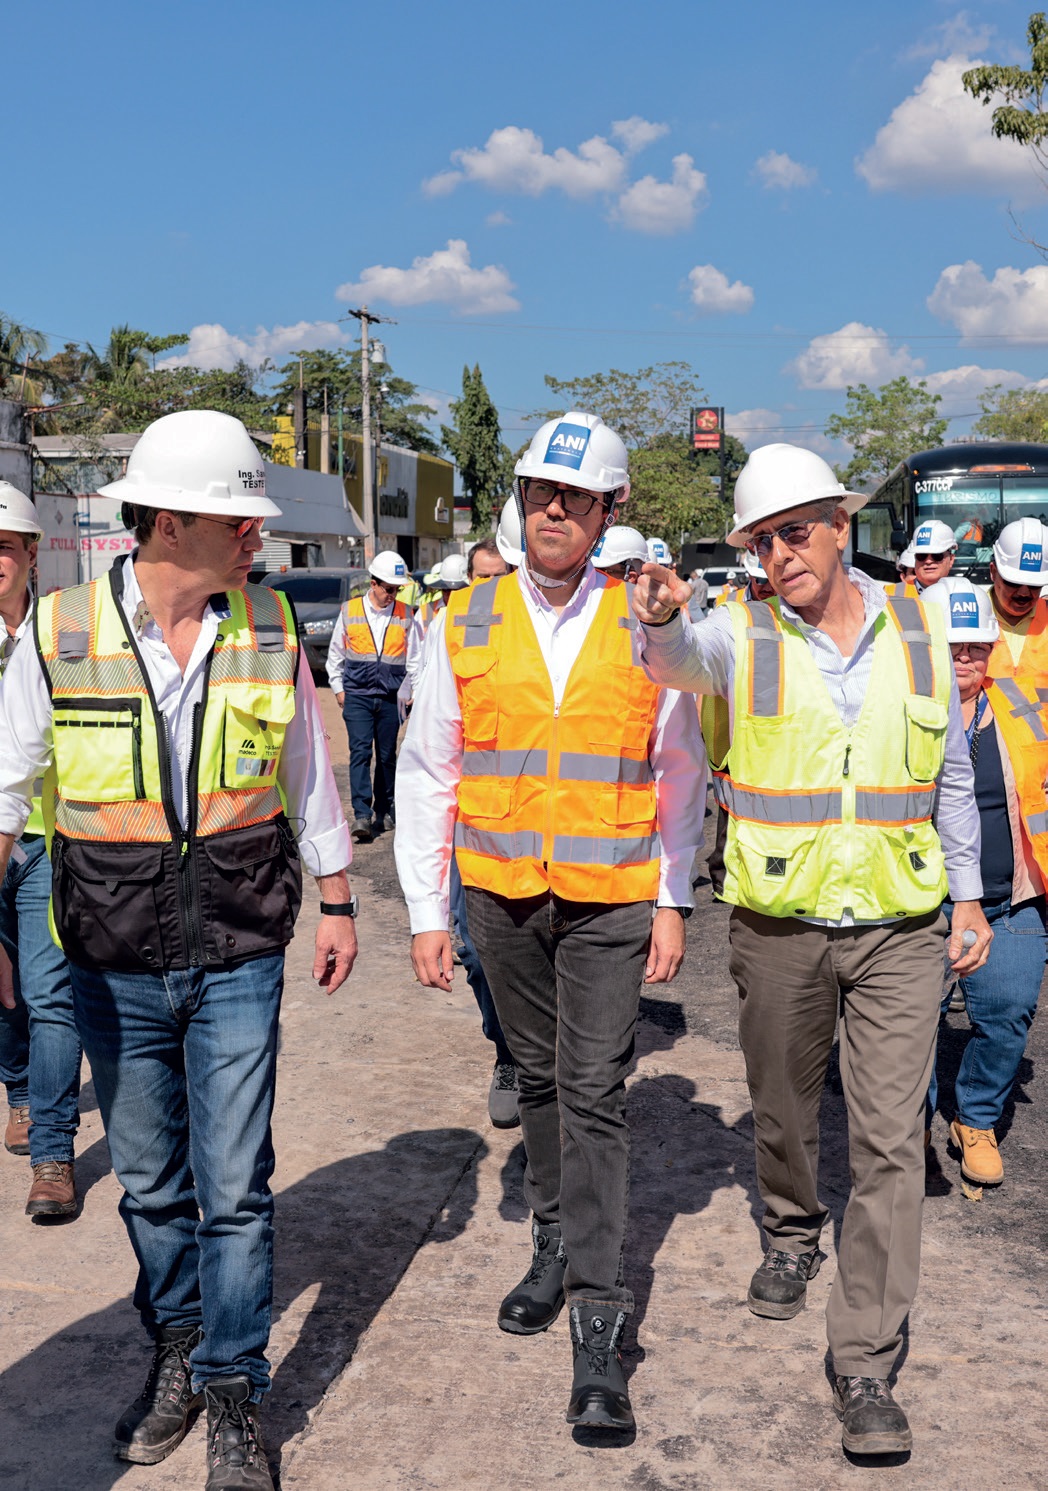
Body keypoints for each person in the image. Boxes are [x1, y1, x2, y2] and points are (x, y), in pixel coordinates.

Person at [0, 411, 358, 1491]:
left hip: (241, 945)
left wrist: (337, 896)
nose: (257, 538)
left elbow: (307, 773)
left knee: (235, 1186)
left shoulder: (266, 625)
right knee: (152, 1186)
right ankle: (178, 1350)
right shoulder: (58, 631)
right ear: (170, 518)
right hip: (109, 955)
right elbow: (8, 786)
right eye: (238, 520)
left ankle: (234, 1395)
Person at [632, 442, 991, 1457]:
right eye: (760, 540)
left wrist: (968, 896)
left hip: (899, 930)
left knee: (887, 1143)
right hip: (779, 928)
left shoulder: (920, 632)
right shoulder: (737, 636)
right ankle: (790, 1235)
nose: (779, 554)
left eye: (795, 531)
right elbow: (672, 662)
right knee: (784, 1111)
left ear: (840, 524)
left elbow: (952, 778)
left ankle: (866, 1362)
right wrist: (657, 616)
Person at [395, 411, 705, 1431]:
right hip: (500, 894)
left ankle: (601, 1323)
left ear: (608, 510)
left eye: (575, 498)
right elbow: (430, 769)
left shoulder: (646, 622)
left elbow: (678, 764)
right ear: (521, 501)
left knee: (595, 1091)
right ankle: (554, 1242)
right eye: (540, 494)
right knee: (536, 1080)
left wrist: (671, 895)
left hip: (610, 896)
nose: (554, 512)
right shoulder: (465, 620)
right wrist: (427, 912)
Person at [922, 577, 1047, 1186]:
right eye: (953, 648)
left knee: (1008, 1017)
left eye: (978, 647)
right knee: (912, 1027)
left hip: (1011, 899)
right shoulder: (904, 713)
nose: (967, 659)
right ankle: (909, 1126)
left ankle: (974, 1119)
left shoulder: (1020, 710)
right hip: (921, 906)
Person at [0, 483, 81, 1218]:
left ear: (32, 552)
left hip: (41, 841)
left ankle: (53, 1153)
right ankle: (19, 1092)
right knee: (3, 989)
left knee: (50, 993)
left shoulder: (61, 635)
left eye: (3, 544)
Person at [326, 550, 418, 842]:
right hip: (358, 696)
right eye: (388, 588)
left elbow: (414, 657)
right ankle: (362, 815)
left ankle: (385, 809)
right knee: (361, 753)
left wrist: (409, 691)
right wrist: (339, 689)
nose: (393, 594)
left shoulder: (406, 614)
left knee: (388, 755)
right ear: (374, 583)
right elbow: (334, 655)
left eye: (397, 589)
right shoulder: (350, 610)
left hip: (392, 698)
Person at [986, 517, 1048, 683]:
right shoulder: (968, 617)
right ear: (993, 572)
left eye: (1034, 584)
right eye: (1013, 582)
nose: (1024, 592)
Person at [911, 519, 957, 591]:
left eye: (937, 556)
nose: (928, 561)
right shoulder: (890, 595)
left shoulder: (967, 595)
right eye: (921, 556)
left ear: (951, 559)